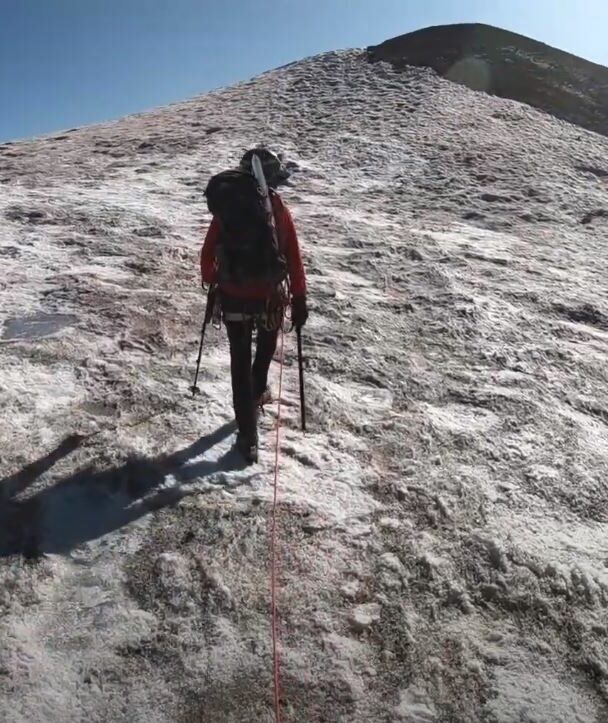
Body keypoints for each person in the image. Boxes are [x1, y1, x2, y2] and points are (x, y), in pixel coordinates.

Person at [200, 149, 308, 464]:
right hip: (269, 297)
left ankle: (247, 435)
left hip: (234, 295)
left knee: (238, 360)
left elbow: (207, 256)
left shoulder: (227, 209)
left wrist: (217, 280)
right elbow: (293, 254)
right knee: (264, 350)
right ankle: (258, 390)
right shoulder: (275, 206)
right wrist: (299, 297)